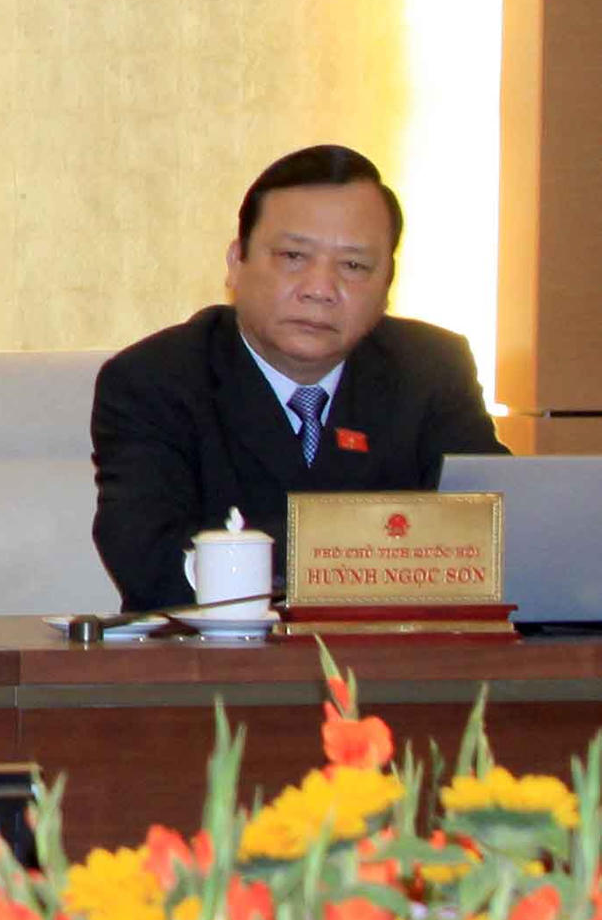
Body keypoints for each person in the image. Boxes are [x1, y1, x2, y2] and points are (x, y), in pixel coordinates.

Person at [90, 143, 503, 613]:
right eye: (293, 256)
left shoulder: (430, 368)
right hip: (218, 655)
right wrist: (383, 548)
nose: (320, 289)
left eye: (353, 266)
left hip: (392, 654)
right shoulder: (154, 380)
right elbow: (151, 566)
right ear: (236, 262)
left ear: (388, 284)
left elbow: (494, 531)